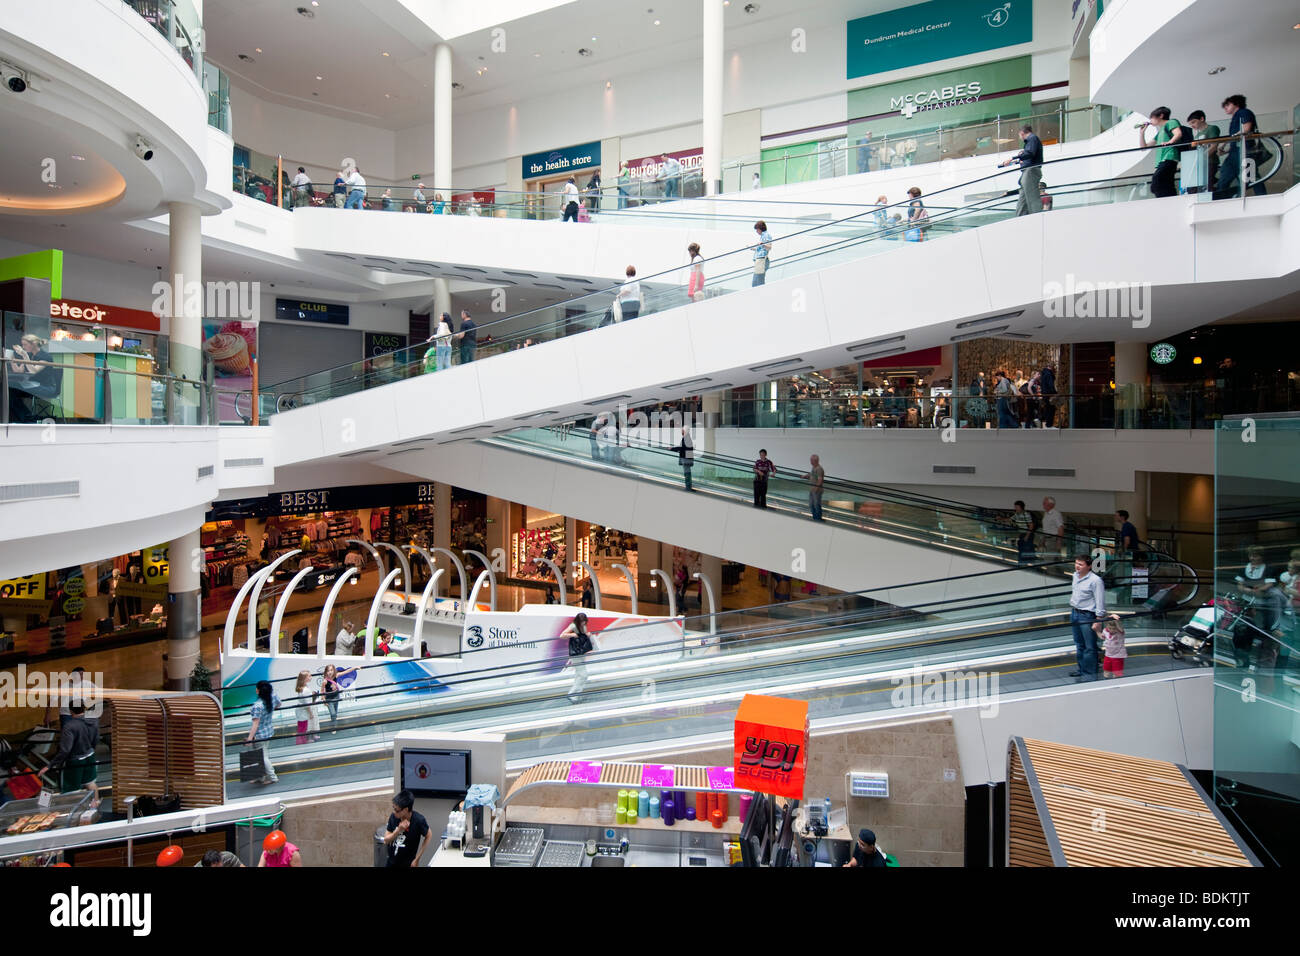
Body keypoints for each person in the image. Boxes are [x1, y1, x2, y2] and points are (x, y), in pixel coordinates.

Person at [40, 703, 99, 805]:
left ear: (70, 711)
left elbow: (65, 750)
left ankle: (75, 812)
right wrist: (91, 749)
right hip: (89, 755)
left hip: (75, 761)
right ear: (84, 708)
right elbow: (96, 738)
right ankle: (95, 805)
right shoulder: (93, 721)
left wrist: (50, 765)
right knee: (90, 783)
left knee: (72, 790)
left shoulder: (69, 726)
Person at [1214, 94, 1267, 200]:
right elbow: (1238, 136)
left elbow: (1246, 129)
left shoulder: (1243, 112)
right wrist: (1227, 149)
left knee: (1250, 176)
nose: (1225, 108)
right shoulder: (1236, 116)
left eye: (1228, 105)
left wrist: (1225, 144)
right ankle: (1222, 198)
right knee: (1227, 176)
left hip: (1245, 151)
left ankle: (1261, 197)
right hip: (1237, 151)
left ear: (1236, 104)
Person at [1068, 555, 1106, 682]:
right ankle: (1082, 669)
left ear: (1089, 566)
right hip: (1075, 613)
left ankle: (1089, 673)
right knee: (1079, 644)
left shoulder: (1096, 580)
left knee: (1090, 646)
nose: (1077, 566)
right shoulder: (1075, 576)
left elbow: (1100, 601)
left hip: (1087, 615)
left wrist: (1098, 620)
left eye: (1081, 564)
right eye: (1076, 563)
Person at [997, 124, 1044, 216]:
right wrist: (1020, 159)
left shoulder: (1032, 138)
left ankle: (1037, 216)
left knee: (1031, 196)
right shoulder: (1031, 140)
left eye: (1019, 135)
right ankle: (1020, 217)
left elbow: (1030, 153)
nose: (1019, 138)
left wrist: (1013, 158)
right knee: (1023, 198)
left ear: (1022, 133)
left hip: (1031, 171)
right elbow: (1029, 155)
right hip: (1027, 172)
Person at [1139, 106, 1184, 199]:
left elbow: (1178, 133)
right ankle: (1172, 200)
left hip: (1169, 158)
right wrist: (1142, 133)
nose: (1150, 120)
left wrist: (1169, 142)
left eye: (1152, 117)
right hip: (1162, 161)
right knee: (1165, 183)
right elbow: (1144, 147)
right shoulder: (1160, 132)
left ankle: (1169, 201)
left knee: (1157, 183)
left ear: (1161, 116)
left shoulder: (1171, 122)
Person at [244, 680, 280, 785]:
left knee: (263, 757)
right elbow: (279, 704)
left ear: (258, 691)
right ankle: (260, 776)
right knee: (260, 755)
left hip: (260, 735)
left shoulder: (257, 706)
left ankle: (273, 777)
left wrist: (249, 739)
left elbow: (255, 724)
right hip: (268, 731)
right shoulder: (273, 696)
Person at [383, 790, 431, 867]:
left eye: (397, 810)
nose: (394, 812)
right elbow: (386, 840)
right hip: (391, 862)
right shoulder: (393, 817)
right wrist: (398, 830)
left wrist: (417, 859)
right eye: (393, 808)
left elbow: (429, 835)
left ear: (405, 809)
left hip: (408, 863)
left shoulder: (418, 820)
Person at [560, 612, 596, 699]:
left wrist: (587, 634)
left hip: (581, 653)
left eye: (584, 621)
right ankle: (571, 694)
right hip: (575, 654)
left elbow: (583, 635)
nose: (583, 623)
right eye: (582, 621)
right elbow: (562, 635)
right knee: (584, 675)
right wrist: (572, 634)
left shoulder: (583, 626)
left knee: (579, 674)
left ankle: (576, 696)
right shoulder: (573, 626)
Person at [1184, 110, 1221, 194]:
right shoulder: (1197, 135)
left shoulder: (1212, 128)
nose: (1192, 126)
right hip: (1199, 164)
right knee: (1195, 186)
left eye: (1193, 122)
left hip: (1210, 162)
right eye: (1190, 124)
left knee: (1207, 184)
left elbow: (1214, 146)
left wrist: (1201, 157)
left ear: (1202, 119)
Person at [320, 663, 356, 730]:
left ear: (334, 670)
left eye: (331, 670)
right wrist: (324, 700)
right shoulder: (325, 681)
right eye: (328, 671)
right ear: (326, 672)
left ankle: (334, 725)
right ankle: (333, 726)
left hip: (336, 695)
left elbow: (346, 671)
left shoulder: (336, 675)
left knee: (335, 712)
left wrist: (355, 668)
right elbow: (322, 691)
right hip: (329, 698)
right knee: (333, 713)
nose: (329, 672)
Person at [1093, 614, 1126, 679]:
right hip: (1108, 655)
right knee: (1106, 670)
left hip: (1118, 656)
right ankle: (1106, 680)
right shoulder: (1105, 630)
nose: (1111, 630)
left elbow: (1120, 627)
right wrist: (1096, 631)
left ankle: (1116, 683)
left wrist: (1113, 617)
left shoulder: (1120, 632)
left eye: (1114, 629)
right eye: (1110, 628)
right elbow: (1102, 636)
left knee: (1117, 673)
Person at [293, 670, 320, 745]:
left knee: (302, 727)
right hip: (304, 712)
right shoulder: (305, 690)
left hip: (301, 711)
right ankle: (301, 742)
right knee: (303, 728)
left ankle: (302, 741)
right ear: (305, 678)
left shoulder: (303, 688)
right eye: (309, 676)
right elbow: (307, 704)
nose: (311, 677)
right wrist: (310, 714)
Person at [670, 426, 694, 491]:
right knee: (687, 472)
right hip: (688, 458)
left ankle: (688, 487)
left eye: (682, 430)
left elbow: (682, 448)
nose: (681, 431)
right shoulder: (687, 438)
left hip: (686, 458)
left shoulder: (686, 438)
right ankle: (688, 486)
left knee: (687, 472)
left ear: (685, 431)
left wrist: (672, 448)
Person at [803, 454, 825, 521]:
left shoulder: (819, 469)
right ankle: (815, 517)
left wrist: (816, 488)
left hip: (817, 490)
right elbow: (811, 474)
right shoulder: (813, 467)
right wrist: (805, 476)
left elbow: (820, 480)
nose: (811, 462)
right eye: (811, 460)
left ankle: (818, 518)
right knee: (811, 504)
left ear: (816, 461)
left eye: (812, 460)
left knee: (816, 504)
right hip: (812, 489)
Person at [752, 220, 772, 286]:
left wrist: (763, 244)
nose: (756, 231)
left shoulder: (766, 235)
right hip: (760, 260)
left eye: (757, 229)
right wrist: (754, 249)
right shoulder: (763, 236)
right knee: (756, 282)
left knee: (758, 281)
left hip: (762, 260)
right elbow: (762, 249)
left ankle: (760, 295)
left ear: (760, 228)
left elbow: (769, 247)